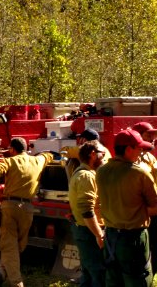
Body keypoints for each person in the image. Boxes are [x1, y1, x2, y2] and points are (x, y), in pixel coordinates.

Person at [0, 137, 54, 287]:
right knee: (17, 245)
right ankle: (1, 271)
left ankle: (17, 282)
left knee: (9, 244)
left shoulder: (10, 161)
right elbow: (49, 155)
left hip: (9, 206)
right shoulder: (38, 160)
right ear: (26, 149)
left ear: (12, 149)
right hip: (28, 209)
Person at [96, 129, 157, 287]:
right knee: (138, 279)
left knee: (113, 279)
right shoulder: (140, 173)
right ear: (129, 149)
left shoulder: (101, 171)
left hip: (110, 235)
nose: (141, 152)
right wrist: (137, 210)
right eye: (139, 148)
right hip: (133, 239)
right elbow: (155, 207)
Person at [68, 140, 106, 286]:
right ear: (92, 154)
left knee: (89, 275)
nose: (104, 158)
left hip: (86, 230)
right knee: (98, 273)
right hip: (89, 232)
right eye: (102, 155)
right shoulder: (87, 176)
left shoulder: (83, 173)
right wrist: (99, 235)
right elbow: (87, 210)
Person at [132, 122, 157, 274]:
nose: (153, 138)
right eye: (149, 135)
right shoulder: (132, 160)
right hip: (142, 212)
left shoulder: (149, 156)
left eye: (154, 135)